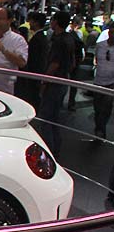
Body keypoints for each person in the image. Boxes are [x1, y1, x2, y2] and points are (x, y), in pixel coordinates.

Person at [37, 11, 75, 157]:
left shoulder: (58, 41)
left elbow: (54, 63)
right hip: (63, 81)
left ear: (56, 22)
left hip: (54, 83)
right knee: (54, 117)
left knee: (46, 117)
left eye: (53, 19)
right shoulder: (69, 38)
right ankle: (55, 148)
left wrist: (44, 81)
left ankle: (49, 151)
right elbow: (73, 62)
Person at [15, 11, 49, 110]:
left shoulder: (38, 39)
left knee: (32, 98)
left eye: (31, 21)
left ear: (36, 22)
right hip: (35, 74)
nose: (29, 23)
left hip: (34, 74)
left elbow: (35, 59)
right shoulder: (41, 37)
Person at [92, 28, 114, 139]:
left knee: (106, 108)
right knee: (97, 107)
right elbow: (96, 59)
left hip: (111, 83)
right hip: (98, 81)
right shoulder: (100, 45)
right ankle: (98, 127)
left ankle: (101, 129)